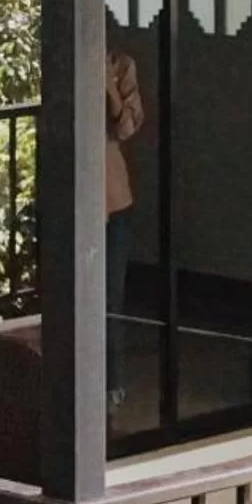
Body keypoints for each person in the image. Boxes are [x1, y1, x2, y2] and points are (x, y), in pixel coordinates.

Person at [104, 48, 143, 409]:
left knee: (110, 296)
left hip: (114, 201)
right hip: (73, 199)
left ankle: (111, 382)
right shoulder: (63, 58)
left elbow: (127, 129)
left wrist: (108, 86)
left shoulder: (123, 65)